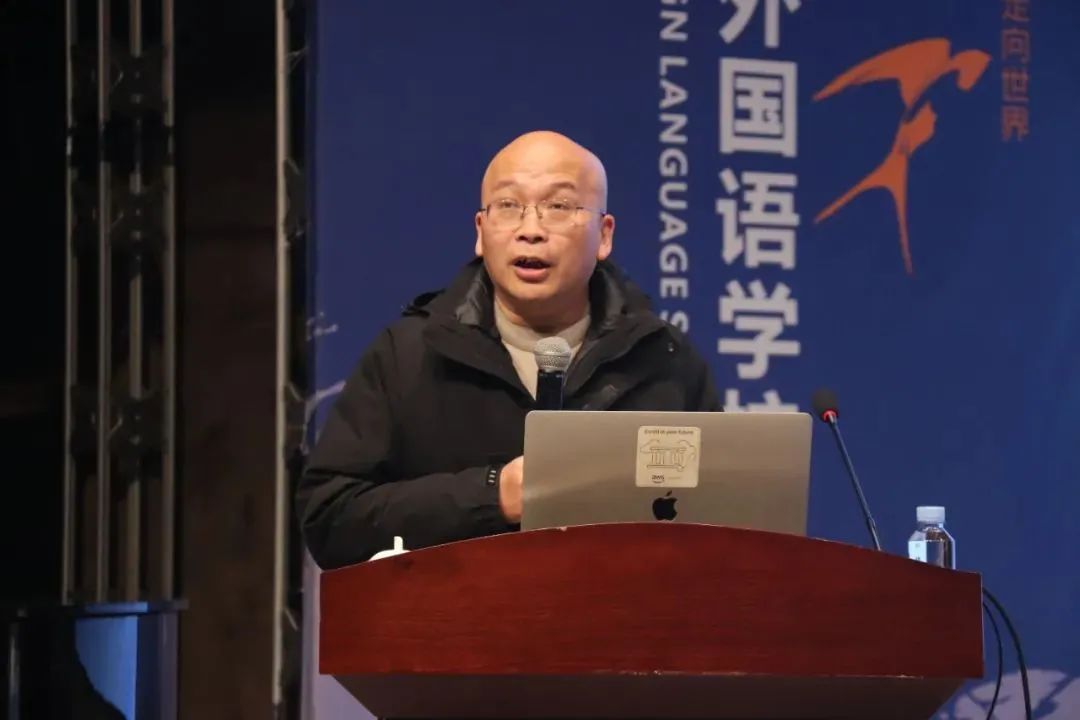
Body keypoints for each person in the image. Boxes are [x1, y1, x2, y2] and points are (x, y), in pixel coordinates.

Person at [296, 131, 721, 569]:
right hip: (456, 610)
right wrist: (493, 493)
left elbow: (722, 527)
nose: (530, 231)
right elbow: (330, 517)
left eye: (559, 206)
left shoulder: (664, 360)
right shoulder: (408, 355)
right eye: (508, 206)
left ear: (604, 235)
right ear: (481, 233)